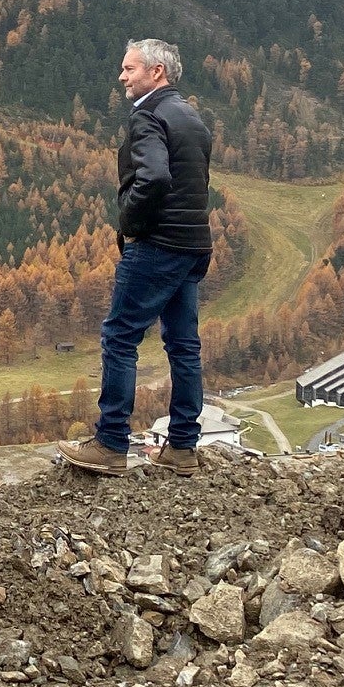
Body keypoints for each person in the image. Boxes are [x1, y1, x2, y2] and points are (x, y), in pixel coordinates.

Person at [61, 38, 215, 477]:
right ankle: (183, 447)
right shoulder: (192, 118)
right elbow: (194, 184)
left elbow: (154, 178)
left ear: (156, 73)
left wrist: (129, 223)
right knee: (184, 345)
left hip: (157, 245)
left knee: (119, 337)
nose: (122, 77)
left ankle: (110, 443)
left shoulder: (147, 115)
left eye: (130, 69)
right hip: (193, 245)